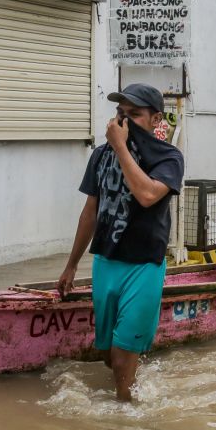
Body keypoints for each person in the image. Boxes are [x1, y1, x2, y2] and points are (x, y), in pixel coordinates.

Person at [56, 84, 184, 402]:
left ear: (156, 119)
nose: (123, 122)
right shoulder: (100, 155)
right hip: (106, 261)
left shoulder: (168, 157)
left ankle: (125, 412)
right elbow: (90, 212)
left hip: (144, 264)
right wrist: (71, 265)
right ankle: (124, 393)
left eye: (134, 115)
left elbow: (147, 194)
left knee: (124, 347)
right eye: (120, 114)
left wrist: (122, 148)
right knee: (107, 352)